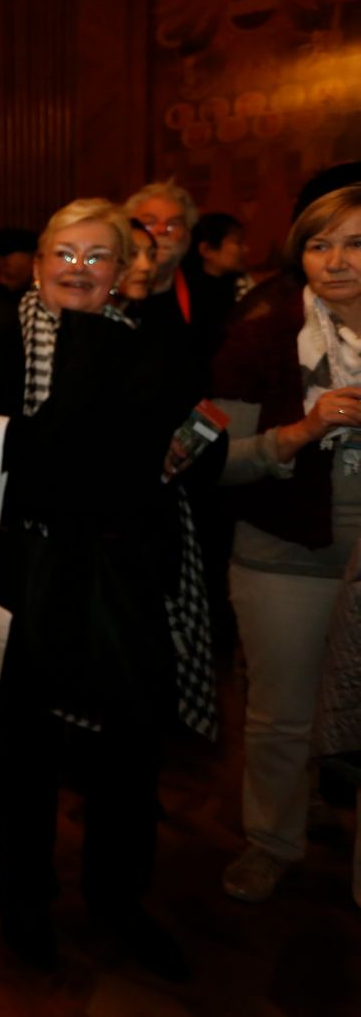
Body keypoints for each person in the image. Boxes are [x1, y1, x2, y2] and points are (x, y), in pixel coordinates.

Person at [0, 198, 192, 981]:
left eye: (97, 256)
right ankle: (22, 895)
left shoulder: (147, 347)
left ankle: (118, 896)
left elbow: (158, 461)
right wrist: (85, 351)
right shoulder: (0, 348)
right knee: (28, 756)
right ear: (37, 264)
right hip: (31, 575)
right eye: (63, 254)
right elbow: (35, 466)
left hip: (119, 578)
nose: (78, 268)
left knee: (129, 752)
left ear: (122, 271)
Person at [212, 182, 361, 906]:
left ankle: (327, 803)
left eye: (357, 243)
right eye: (319, 242)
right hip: (284, 553)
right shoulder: (259, 330)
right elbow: (200, 457)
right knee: (281, 711)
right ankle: (271, 838)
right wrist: (302, 431)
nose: (336, 260)